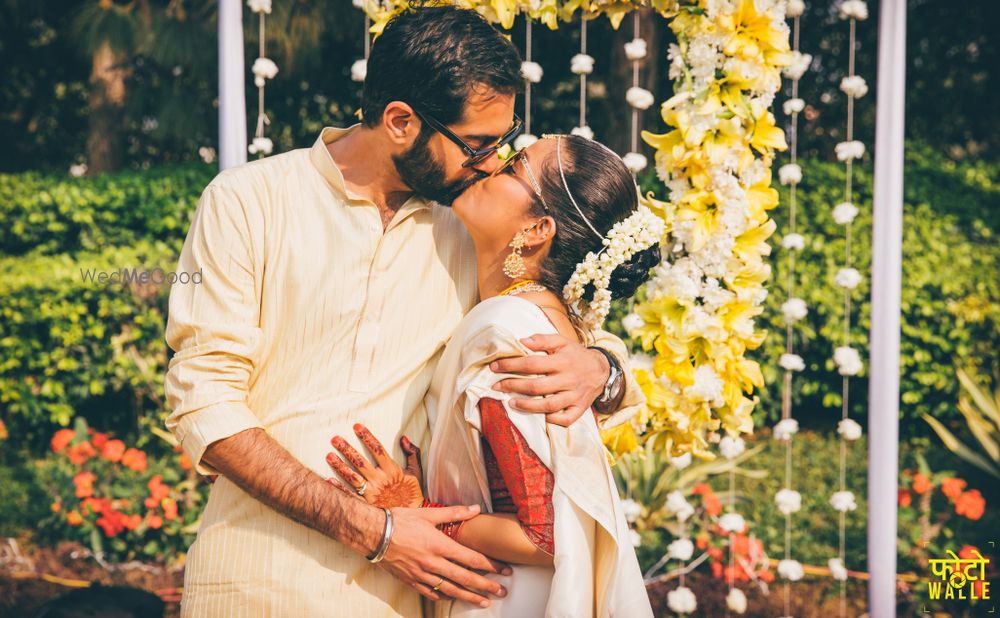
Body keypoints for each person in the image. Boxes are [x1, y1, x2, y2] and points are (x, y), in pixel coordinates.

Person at [163, 6, 644, 617]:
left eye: (504, 143)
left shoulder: (469, 228)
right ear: (399, 121)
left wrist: (604, 368)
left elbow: (545, 315)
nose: (494, 162)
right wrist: (375, 532)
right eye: (478, 144)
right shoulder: (246, 202)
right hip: (255, 583)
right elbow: (205, 403)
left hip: (402, 597)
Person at [326, 134, 660, 617]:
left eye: (514, 165)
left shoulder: (506, 329)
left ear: (537, 229)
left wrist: (425, 518)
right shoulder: (545, 320)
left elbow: (545, 533)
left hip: (503, 596)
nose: (492, 163)